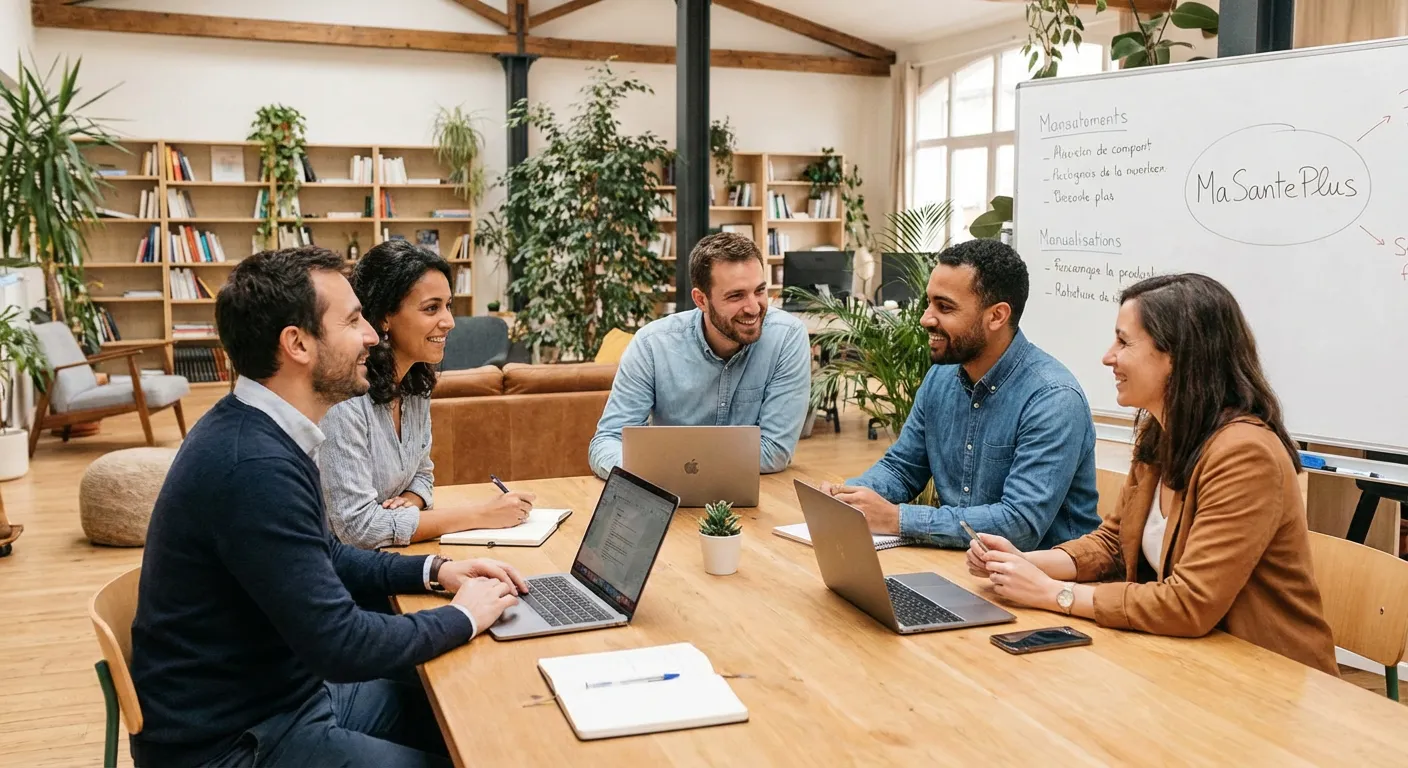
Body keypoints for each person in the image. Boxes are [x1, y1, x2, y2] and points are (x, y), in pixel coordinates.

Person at [130, 247, 531, 767]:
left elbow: (326, 557)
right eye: (353, 320)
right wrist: (462, 618)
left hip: (283, 697)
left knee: (476, 724)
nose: (371, 335)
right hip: (235, 741)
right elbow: (341, 644)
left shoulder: (261, 431)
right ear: (297, 344)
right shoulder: (252, 465)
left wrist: (437, 571)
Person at [970, 273, 1338, 675]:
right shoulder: (1163, 432)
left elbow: (1190, 604)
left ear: (1177, 356)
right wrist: (1023, 564)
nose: (1108, 357)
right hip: (1191, 661)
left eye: (1124, 342)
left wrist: (1055, 594)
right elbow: (1114, 544)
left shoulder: (1246, 454)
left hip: (1267, 676)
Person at [821, 239, 1099, 550]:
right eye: (928, 303)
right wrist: (849, 497)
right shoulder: (941, 376)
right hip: (963, 564)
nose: (926, 318)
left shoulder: (1053, 399)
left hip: (1043, 582)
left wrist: (896, 519)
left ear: (996, 316)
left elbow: (1019, 524)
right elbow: (902, 468)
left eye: (945, 307)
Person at [320, 240, 535, 550]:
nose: (448, 321)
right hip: (343, 577)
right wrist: (479, 514)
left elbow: (423, 475)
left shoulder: (415, 386)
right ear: (384, 318)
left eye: (448, 306)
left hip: (390, 558)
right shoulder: (345, 398)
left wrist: (409, 501)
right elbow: (358, 529)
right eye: (431, 308)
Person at [588, 232, 812, 479]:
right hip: (667, 492)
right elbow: (607, 440)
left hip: (757, 496)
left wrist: (669, 462)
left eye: (759, 291)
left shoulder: (787, 337)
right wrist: (648, 471)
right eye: (736, 296)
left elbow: (775, 451)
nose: (753, 307)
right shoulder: (652, 345)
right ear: (701, 300)